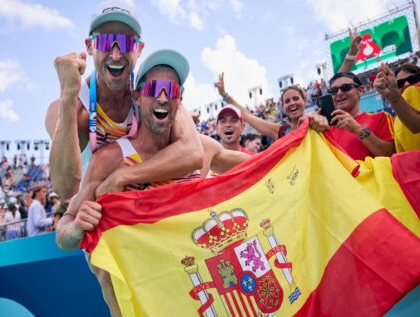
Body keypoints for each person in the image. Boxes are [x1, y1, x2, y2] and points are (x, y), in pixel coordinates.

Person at [56, 50, 249, 315]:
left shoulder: (203, 149)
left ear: (180, 101)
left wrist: (310, 134)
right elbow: (63, 233)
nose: (162, 97)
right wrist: (77, 227)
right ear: (137, 96)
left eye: (172, 90)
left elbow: (262, 164)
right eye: (153, 88)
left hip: (198, 301)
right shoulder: (112, 158)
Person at [45, 0, 202, 200]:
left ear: (139, 49)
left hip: (140, 205)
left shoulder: (152, 91)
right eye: (105, 42)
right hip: (93, 213)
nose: (116, 54)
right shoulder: (70, 108)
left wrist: (122, 176)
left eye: (126, 43)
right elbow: (65, 188)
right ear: (90, 46)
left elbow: (193, 152)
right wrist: (68, 97)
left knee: (209, 146)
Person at [214, 73, 328, 141]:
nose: (292, 103)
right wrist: (225, 95)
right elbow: (248, 116)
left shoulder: (317, 121)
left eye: (296, 98)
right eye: (287, 101)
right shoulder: (280, 131)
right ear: (283, 107)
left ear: (304, 101)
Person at [324, 71, 395, 160]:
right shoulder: (327, 129)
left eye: (345, 87)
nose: (339, 93)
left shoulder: (381, 117)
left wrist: (358, 130)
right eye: (333, 91)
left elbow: (391, 155)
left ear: (360, 90)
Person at [374, 63, 420, 152]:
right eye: (400, 83)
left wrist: (393, 97)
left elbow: (416, 125)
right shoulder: (396, 122)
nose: (407, 85)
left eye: (413, 79)